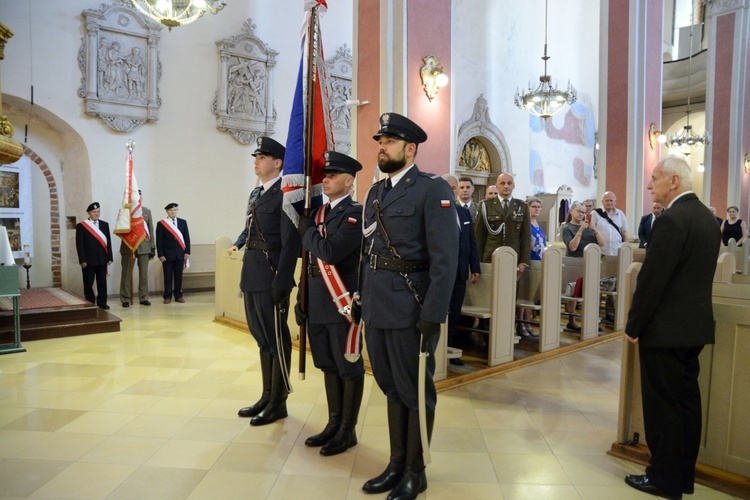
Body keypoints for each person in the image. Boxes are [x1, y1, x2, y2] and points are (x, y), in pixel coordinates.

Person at [357, 113, 458, 499]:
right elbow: (369, 253)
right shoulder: (376, 192)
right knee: (391, 388)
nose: (380, 147)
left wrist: (433, 315)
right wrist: (360, 300)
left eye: (389, 141)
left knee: (415, 390)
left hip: (412, 309)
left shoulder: (431, 190)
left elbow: (444, 260)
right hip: (378, 306)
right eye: (379, 141)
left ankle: (416, 471)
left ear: (410, 148)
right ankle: (396, 463)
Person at [624, 156, 720, 499]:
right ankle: (682, 478)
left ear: (674, 181)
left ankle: (663, 479)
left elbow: (652, 281)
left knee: (662, 407)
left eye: (655, 178)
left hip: (664, 332)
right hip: (693, 329)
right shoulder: (708, 220)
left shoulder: (672, 220)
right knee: (685, 405)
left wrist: (633, 325)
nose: (651, 185)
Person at [293, 151, 365, 457]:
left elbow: (331, 252)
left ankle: (347, 431)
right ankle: (334, 423)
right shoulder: (319, 214)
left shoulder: (355, 214)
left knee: (348, 366)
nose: (326, 179)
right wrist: (301, 298)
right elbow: (309, 260)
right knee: (328, 365)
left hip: (341, 302)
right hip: (317, 300)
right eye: (325, 175)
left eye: (333, 175)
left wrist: (307, 231)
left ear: (348, 181)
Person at [229, 137, 301, 426]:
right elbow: (249, 229)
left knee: (276, 339)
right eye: (255, 156)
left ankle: (279, 401)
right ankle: (266, 394)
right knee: (262, 340)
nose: (256, 161)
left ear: (278, 163)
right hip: (253, 273)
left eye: (262, 156)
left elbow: (290, 241)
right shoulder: (256, 194)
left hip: (272, 275)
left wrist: (282, 281)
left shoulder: (285, 196)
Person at [442, 174, 480, 366]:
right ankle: (438, 352)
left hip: (460, 272)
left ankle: (451, 350)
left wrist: (475, 267)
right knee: (442, 312)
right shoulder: (435, 211)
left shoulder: (463, 213)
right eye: (448, 187)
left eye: (454, 187)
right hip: (441, 273)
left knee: (455, 313)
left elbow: (471, 242)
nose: (453, 190)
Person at [561, 201, 604, 331]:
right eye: (579, 211)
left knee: (590, 293)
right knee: (573, 294)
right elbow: (572, 247)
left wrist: (594, 230)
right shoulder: (567, 228)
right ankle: (572, 321)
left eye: (583, 212)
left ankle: (590, 321)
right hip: (574, 262)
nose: (581, 214)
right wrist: (580, 230)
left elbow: (602, 243)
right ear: (571, 211)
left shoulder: (588, 227)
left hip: (590, 263)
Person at [119, 191, 155, 307]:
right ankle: (125, 298)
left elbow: (150, 230)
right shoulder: (124, 212)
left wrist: (152, 246)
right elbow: (120, 229)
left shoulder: (146, 212)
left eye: (138, 197)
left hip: (144, 246)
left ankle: (143, 297)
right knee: (126, 274)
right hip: (128, 246)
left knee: (143, 274)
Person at [76, 202, 113, 310]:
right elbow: (80, 245)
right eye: (94, 212)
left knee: (102, 282)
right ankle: (90, 302)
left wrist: (109, 257)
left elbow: (108, 242)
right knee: (88, 282)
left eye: (98, 212)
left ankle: (102, 302)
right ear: (89, 213)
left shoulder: (104, 225)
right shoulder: (82, 226)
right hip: (88, 260)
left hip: (102, 259)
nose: (96, 214)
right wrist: (82, 260)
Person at [518, 196, 546, 336]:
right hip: (528, 261)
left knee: (531, 295)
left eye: (539, 207)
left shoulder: (537, 223)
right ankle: (521, 323)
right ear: (527, 208)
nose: (537, 209)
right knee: (523, 295)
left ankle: (527, 323)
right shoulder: (525, 223)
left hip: (538, 262)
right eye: (534, 206)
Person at [156, 203, 190, 304]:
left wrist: (187, 251)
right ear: (167, 211)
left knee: (179, 276)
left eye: (175, 210)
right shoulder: (162, 224)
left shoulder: (183, 222)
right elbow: (159, 241)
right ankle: (167, 296)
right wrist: (161, 254)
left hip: (180, 254)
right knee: (167, 276)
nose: (173, 212)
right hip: (167, 255)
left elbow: (186, 238)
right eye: (171, 210)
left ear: (177, 211)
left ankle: (178, 295)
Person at [596, 191, 628, 256]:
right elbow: (590, 233)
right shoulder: (595, 213)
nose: (609, 202)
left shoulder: (620, 214)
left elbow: (624, 232)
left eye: (611, 200)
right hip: (601, 252)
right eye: (607, 200)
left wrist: (626, 248)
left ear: (615, 202)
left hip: (617, 252)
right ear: (602, 202)